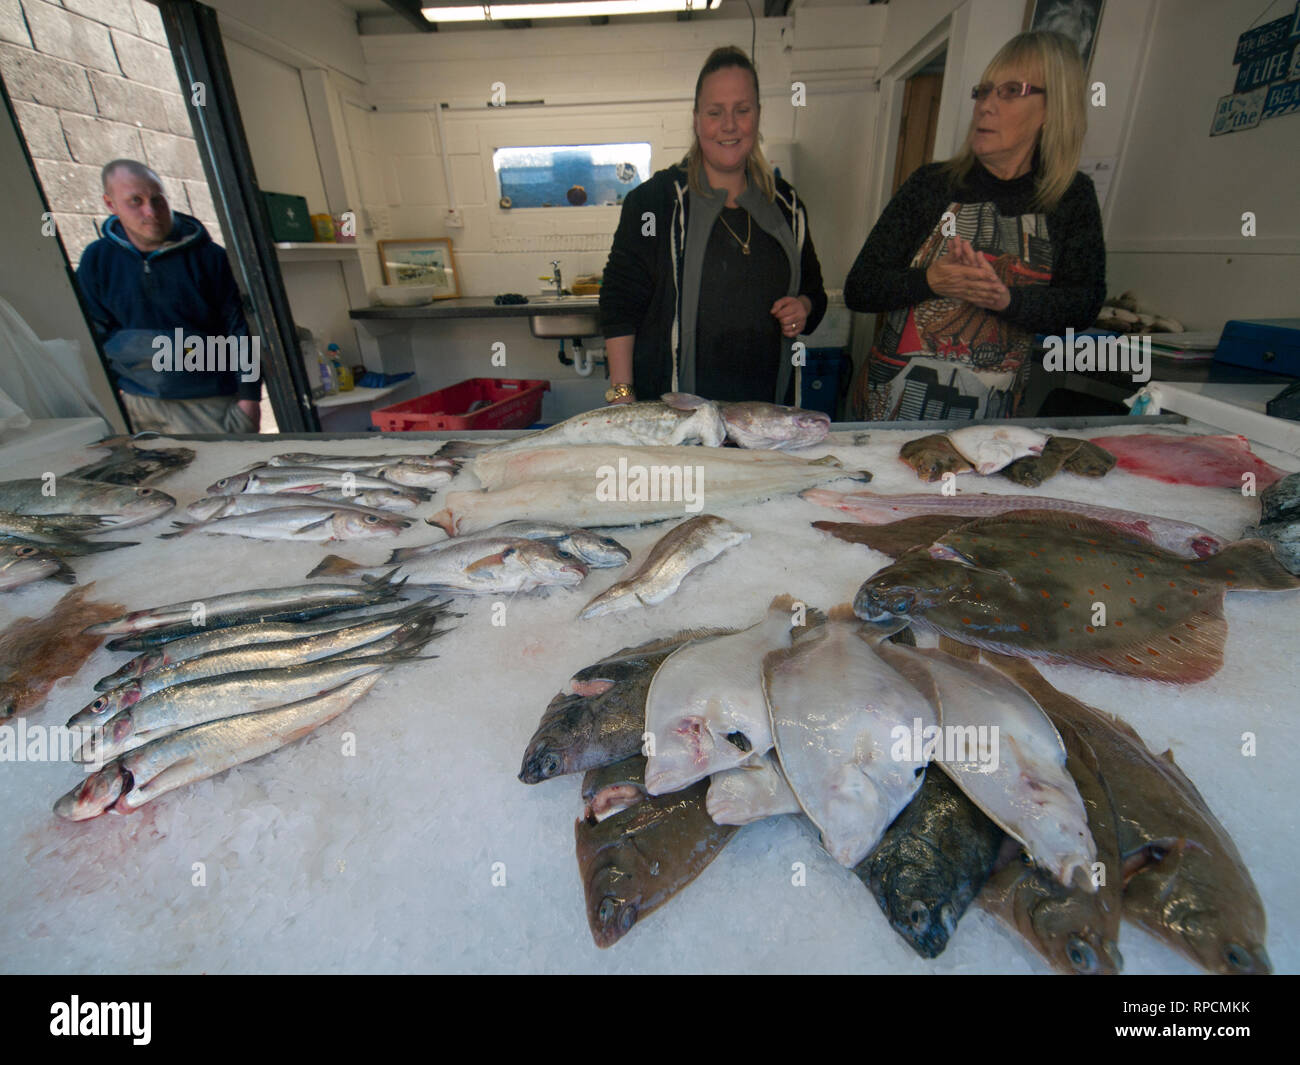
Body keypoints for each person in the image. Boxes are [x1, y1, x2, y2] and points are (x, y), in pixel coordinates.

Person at [845, 30, 1105, 421]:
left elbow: (1083, 302)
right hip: (891, 410)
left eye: (1011, 91)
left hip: (989, 422)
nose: (986, 106)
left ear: (1055, 108)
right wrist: (930, 281)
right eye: (983, 92)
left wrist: (1007, 301)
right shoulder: (932, 185)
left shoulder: (1071, 197)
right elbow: (859, 288)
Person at [599, 46, 827, 407]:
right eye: (715, 112)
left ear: (758, 115)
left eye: (742, 110)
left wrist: (803, 306)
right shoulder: (654, 203)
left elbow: (815, 290)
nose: (729, 125)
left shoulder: (788, 206)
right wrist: (623, 395)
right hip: (676, 419)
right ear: (696, 119)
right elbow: (618, 306)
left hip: (765, 417)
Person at [76, 159, 262, 434]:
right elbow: (93, 333)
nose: (151, 211)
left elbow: (241, 329)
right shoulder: (98, 260)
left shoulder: (210, 258)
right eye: (135, 201)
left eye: (158, 200)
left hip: (209, 403)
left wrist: (249, 397)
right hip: (138, 404)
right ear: (110, 204)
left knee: (223, 475)